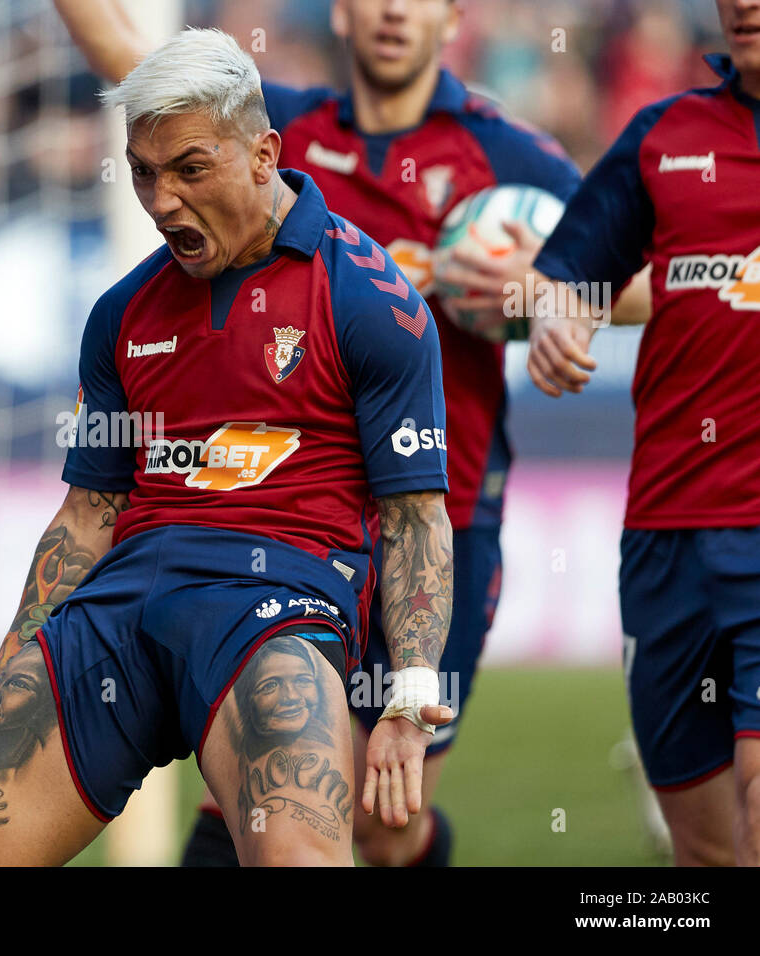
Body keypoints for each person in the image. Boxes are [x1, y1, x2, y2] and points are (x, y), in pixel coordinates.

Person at [54, 0, 652, 867]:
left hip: (437, 520)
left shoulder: (504, 152)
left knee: (379, 816)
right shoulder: (284, 126)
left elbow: (642, 273)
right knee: (276, 785)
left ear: (451, 15)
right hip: (296, 524)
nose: (393, 13)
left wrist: (538, 287)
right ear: (341, 12)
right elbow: (128, 55)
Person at [0, 27, 454, 866]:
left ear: (264, 155)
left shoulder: (368, 299)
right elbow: (88, 516)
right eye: (143, 173)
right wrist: (5, 677)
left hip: (274, 610)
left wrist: (408, 696)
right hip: (119, 611)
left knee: (298, 856)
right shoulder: (121, 313)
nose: (161, 202)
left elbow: (415, 518)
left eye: (191, 169)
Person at [527, 0, 760, 867]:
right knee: (704, 854)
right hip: (666, 537)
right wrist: (556, 319)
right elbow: (567, 273)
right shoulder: (665, 137)